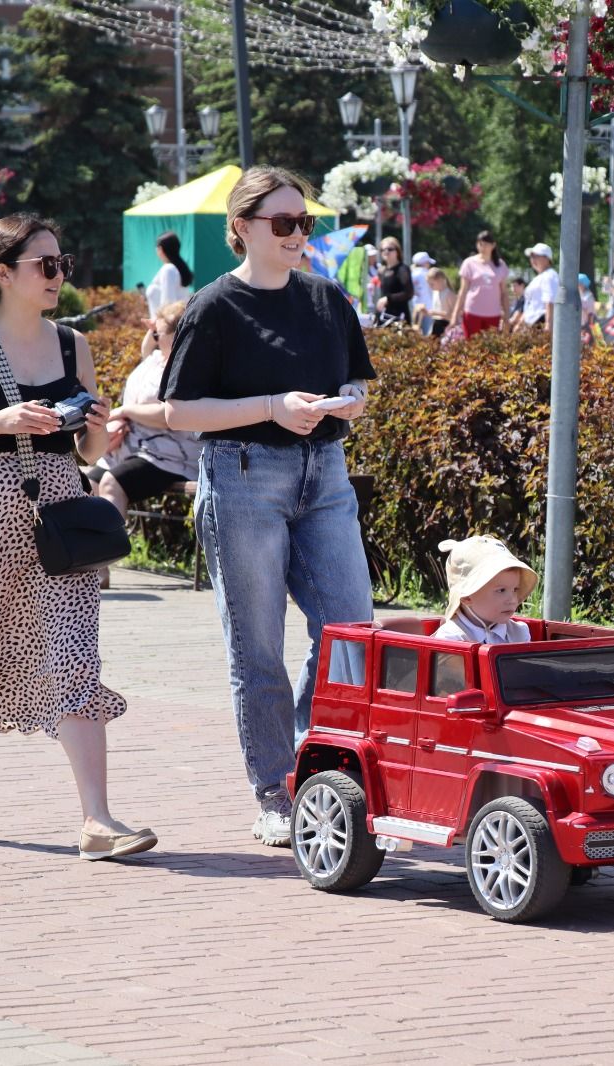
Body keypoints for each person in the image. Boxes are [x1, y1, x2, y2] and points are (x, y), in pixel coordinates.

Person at [0, 213, 155, 861]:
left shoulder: (73, 346)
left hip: (61, 510)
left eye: (61, 263)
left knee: (76, 657)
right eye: (45, 265)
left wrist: (101, 431)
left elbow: (90, 449)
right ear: (2, 274)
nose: (58, 276)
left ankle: (97, 820)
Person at [160, 166, 375, 846]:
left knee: (352, 629)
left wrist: (349, 402)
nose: (297, 234)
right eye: (283, 223)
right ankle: (275, 794)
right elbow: (176, 409)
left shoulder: (325, 297)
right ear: (243, 228)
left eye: (304, 222)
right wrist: (272, 409)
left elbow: (357, 381)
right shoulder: (213, 307)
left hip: (327, 474)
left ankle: (316, 768)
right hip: (244, 473)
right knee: (257, 647)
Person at [86, 299, 200, 519]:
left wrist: (124, 412)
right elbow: (146, 347)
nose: (156, 341)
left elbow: (169, 416)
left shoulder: (188, 367)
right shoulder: (156, 358)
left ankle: (110, 550)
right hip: (132, 449)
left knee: (112, 483)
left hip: (169, 456)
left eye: (160, 335)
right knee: (88, 484)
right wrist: (154, 329)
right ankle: (92, 552)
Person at [432, 535, 539, 644]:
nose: (512, 600)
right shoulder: (452, 637)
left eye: (515, 589)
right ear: (466, 596)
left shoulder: (519, 633)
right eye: (501, 590)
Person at [454, 230, 510, 337]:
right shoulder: (469, 263)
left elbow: (504, 293)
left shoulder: (500, 265)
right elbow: (463, 291)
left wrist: (507, 316)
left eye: (486, 244)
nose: (483, 248)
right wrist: (454, 315)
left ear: (493, 245)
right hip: (472, 312)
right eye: (480, 244)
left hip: (493, 313)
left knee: (491, 348)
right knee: (471, 347)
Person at [145, 231, 193, 319]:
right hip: (168, 326)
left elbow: (168, 303)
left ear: (160, 249)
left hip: (165, 328)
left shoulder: (168, 270)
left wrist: (159, 329)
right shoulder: (174, 268)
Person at [516, 242, 558, 331]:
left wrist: (548, 326)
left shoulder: (549, 275)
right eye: (531, 257)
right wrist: (520, 324)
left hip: (540, 323)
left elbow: (549, 301)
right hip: (531, 324)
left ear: (547, 258)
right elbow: (530, 304)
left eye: (536, 256)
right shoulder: (540, 277)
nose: (532, 260)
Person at [375, 236, 415, 326]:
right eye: (383, 250)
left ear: (397, 251)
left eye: (390, 249)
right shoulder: (382, 271)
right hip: (384, 315)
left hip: (399, 316)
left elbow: (409, 293)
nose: (386, 252)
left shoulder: (402, 269)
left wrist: (388, 299)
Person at [425, 267, 457, 338]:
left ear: (440, 280)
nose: (430, 287)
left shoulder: (449, 294)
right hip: (436, 325)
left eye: (432, 284)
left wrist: (435, 313)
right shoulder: (435, 292)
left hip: (446, 326)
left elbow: (454, 315)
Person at [411, 250, 436, 334]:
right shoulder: (428, 274)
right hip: (427, 308)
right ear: (424, 263)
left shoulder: (412, 274)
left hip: (414, 307)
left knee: (414, 333)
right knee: (426, 334)